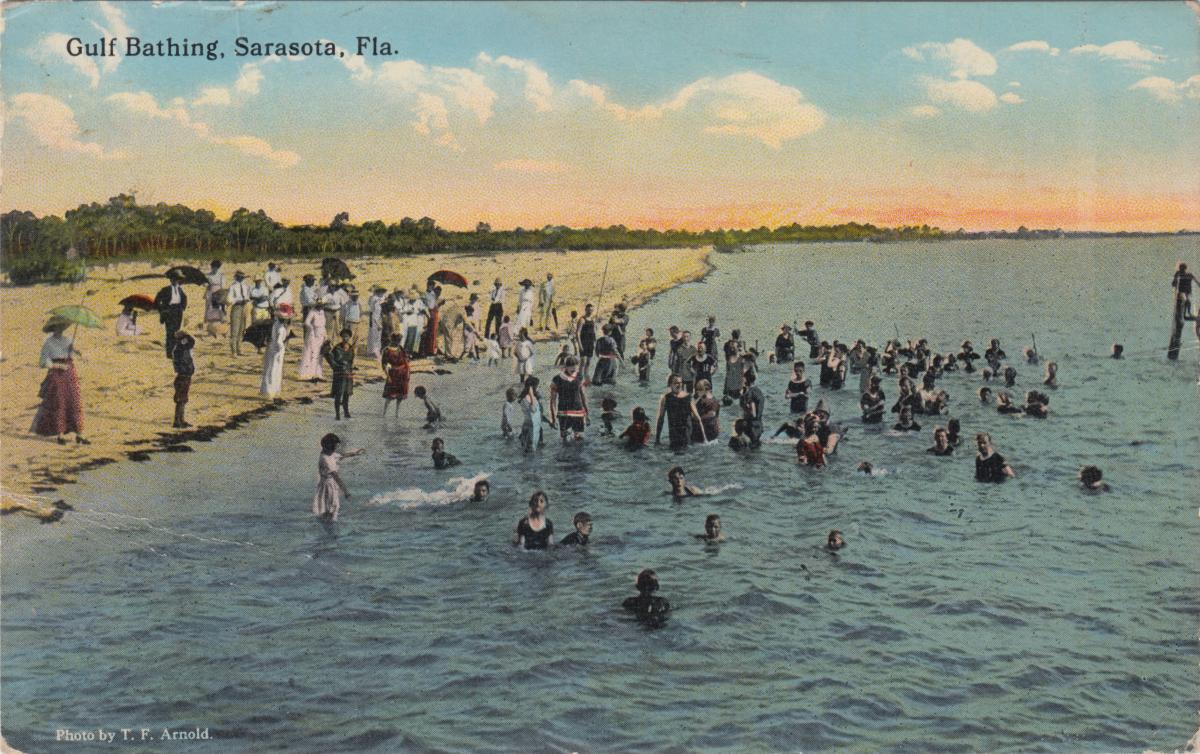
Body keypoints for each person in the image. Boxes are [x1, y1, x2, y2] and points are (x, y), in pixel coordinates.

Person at [31, 319, 87, 444]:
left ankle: (79, 434)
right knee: (59, 402)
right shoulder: (48, 343)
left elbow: (71, 354)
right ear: (53, 329)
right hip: (56, 374)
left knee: (75, 400)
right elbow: (43, 361)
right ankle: (60, 435)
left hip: (70, 371)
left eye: (61, 327)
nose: (59, 330)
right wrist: (57, 366)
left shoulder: (67, 340)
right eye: (57, 327)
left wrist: (75, 351)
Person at [312, 433, 364, 522]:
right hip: (328, 485)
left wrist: (354, 453)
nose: (335, 448)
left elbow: (341, 455)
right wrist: (346, 492)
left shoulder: (327, 453)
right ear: (330, 446)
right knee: (332, 506)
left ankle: (328, 523)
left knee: (328, 506)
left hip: (326, 483)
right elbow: (336, 477)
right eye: (335, 446)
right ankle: (330, 526)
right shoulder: (326, 459)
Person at [656, 374, 704, 450]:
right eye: (676, 383)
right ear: (670, 384)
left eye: (680, 382)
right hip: (674, 435)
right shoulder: (666, 398)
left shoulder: (688, 397)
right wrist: (657, 439)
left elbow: (697, 418)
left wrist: (704, 438)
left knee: (686, 454)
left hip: (686, 433)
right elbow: (660, 419)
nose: (679, 385)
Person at [549, 356, 588, 441]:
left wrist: (587, 414)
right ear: (565, 367)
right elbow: (553, 400)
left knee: (580, 439)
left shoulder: (579, 376)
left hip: (578, 411)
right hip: (563, 412)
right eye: (571, 367)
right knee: (565, 439)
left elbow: (583, 396)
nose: (574, 369)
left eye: (576, 367)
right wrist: (553, 418)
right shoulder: (557, 379)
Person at [259, 304, 292, 399]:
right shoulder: (281, 328)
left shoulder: (276, 324)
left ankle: (267, 391)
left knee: (269, 369)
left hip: (271, 348)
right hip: (277, 350)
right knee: (274, 370)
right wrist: (282, 347)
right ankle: (271, 391)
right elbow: (279, 341)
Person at [154, 271, 188, 358]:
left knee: (176, 332)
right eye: (173, 279)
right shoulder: (166, 289)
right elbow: (157, 300)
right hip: (169, 311)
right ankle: (169, 353)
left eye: (177, 280)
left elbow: (184, 298)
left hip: (178, 312)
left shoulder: (180, 290)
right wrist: (162, 309)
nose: (175, 281)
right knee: (169, 333)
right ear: (171, 280)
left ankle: (174, 351)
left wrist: (182, 308)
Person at [326, 328, 356, 420]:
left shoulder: (351, 348)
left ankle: (346, 412)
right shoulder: (337, 348)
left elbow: (351, 361)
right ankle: (337, 414)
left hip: (348, 374)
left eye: (347, 337)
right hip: (339, 374)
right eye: (344, 336)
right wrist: (337, 366)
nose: (345, 338)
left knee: (347, 394)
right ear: (341, 337)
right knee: (339, 394)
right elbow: (330, 359)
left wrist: (350, 369)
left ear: (349, 338)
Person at [170, 331, 195, 428]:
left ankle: (181, 420)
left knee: (183, 400)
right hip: (182, 377)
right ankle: (177, 421)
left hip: (185, 377)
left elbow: (192, 342)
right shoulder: (180, 350)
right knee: (181, 400)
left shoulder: (183, 348)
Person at [381, 333, 410, 417]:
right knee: (389, 396)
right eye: (397, 340)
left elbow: (406, 360)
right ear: (392, 340)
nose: (398, 342)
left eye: (399, 340)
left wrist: (407, 373)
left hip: (402, 374)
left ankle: (397, 414)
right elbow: (384, 365)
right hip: (393, 374)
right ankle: (384, 413)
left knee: (400, 396)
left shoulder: (401, 349)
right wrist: (388, 376)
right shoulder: (386, 350)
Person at [298, 303, 326, 381]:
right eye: (319, 305)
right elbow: (307, 322)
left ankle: (318, 373)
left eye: (322, 305)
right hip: (313, 335)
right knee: (311, 353)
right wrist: (311, 328)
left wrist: (325, 335)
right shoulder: (312, 312)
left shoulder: (322, 312)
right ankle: (308, 374)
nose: (320, 307)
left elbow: (323, 325)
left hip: (321, 335)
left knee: (319, 354)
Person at [226, 270, 251, 355]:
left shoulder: (245, 286)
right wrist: (238, 300)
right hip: (236, 307)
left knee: (242, 328)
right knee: (235, 329)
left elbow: (247, 296)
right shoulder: (233, 286)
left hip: (244, 307)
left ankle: (239, 349)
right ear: (236, 277)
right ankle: (233, 351)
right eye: (240, 277)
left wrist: (246, 299)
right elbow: (229, 299)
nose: (241, 279)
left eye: (242, 277)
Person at [518, 376, 545, 453]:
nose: (538, 388)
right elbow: (533, 410)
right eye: (537, 386)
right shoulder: (526, 399)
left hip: (532, 426)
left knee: (532, 450)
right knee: (530, 451)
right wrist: (531, 394)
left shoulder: (532, 398)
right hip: (531, 428)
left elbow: (538, 414)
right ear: (532, 387)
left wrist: (549, 421)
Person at [739, 370, 765, 448]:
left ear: (746, 379)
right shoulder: (758, 391)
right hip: (759, 426)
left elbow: (752, 413)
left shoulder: (749, 393)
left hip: (751, 427)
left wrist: (742, 399)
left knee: (748, 455)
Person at [692, 379, 721, 444]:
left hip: (703, 431)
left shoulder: (701, 401)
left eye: (698, 390)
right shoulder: (715, 400)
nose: (696, 392)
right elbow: (716, 416)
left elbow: (694, 415)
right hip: (713, 430)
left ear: (703, 390)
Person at [576, 303, 598, 377]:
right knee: (583, 361)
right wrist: (579, 345)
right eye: (588, 310)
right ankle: (580, 375)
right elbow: (578, 333)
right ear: (585, 310)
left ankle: (586, 375)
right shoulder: (582, 319)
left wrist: (595, 342)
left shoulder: (593, 319)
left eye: (591, 310)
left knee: (588, 361)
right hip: (583, 341)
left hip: (590, 342)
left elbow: (594, 331)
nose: (590, 312)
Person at [204, 259, 226, 327]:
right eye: (213, 267)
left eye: (216, 267)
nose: (214, 269)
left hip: (218, 291)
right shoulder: (208, 275)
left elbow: (223, 285)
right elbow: (205, 284)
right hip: (210, 291)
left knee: (219, 306)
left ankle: (218, 323)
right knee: (210, 306)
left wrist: (221, 293)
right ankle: (210, 324)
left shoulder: (221, 275)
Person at [366, 286, 386, 358]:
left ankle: (375, 351)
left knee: (377, 336)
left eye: (382, 292)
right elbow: (373, 312)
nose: (381, 293)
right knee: (374, 336)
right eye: (380, 292)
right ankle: (373, 352)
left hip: (379, 319)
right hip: (375, 320)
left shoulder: (381, 299)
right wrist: (376, 323)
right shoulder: (374, 300)